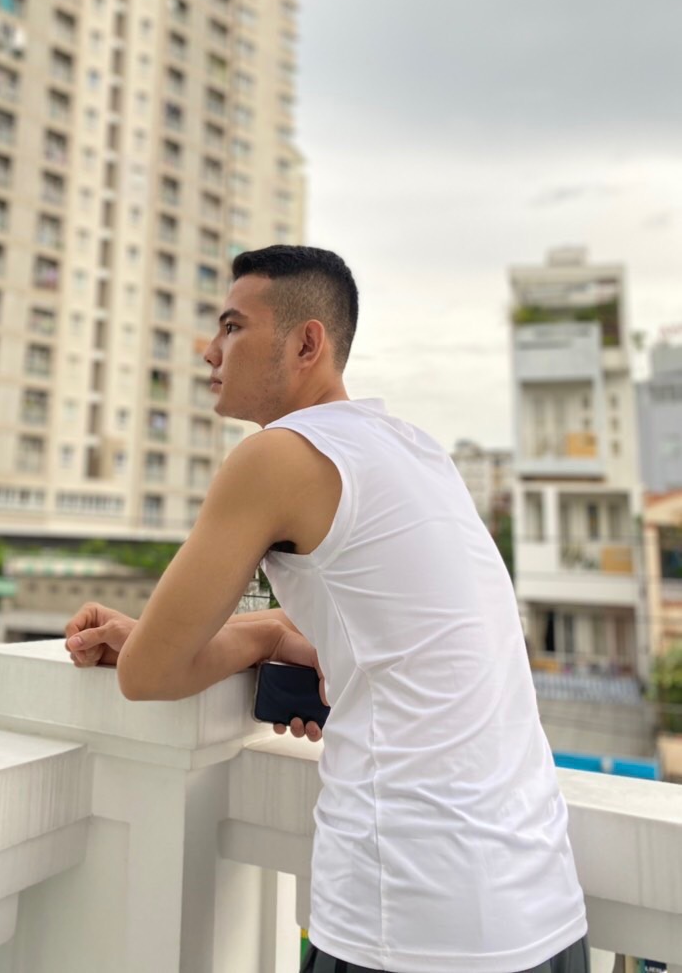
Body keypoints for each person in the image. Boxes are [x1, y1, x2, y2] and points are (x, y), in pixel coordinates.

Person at [65, 245, 588, 973]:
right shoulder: (416, 451)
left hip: (412, 920)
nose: (210, 351)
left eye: (232, 327)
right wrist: (264, 632)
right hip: (544, 909)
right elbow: (390, 627)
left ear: (306, 343)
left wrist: (253, 638)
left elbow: (147, 673)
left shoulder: (276, 457)